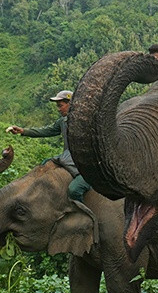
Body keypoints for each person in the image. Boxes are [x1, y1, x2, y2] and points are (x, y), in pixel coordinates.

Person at [8, 90, 96, 232]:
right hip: (69, 159)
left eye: (61, 105)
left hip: (87, 164)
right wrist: (23, 131)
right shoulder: (63, 122)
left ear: (71, 104)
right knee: (44, 165)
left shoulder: (85, 121)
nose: (59, 109)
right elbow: (47, 131)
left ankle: (82, 215)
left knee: (74, 190)